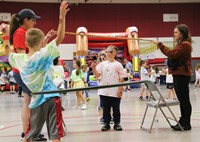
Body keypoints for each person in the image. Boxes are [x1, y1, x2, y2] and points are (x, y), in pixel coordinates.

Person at [6, 1, 70, 141]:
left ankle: (27, 135)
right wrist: (61, 17)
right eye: (33, 19)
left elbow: (12, 54)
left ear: (27, 43)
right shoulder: (42, 56)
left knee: (30, 134)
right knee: (55, 134)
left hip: (37, 100)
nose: (35, 22)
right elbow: (60, 37)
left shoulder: (19, 59)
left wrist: (5, 34)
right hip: (51, 98)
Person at [8, 7, 48, 141]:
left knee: (29, 101)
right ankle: (28, 133)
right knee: (30, 102)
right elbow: (21, 57)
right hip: (23, 73)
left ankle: (29, 132)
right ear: (26, 20)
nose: (35, 23)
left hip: (25, 73)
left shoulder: (25, 32)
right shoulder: (20, 33)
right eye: (33, 20)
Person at [154, 24, 192, 131]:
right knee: (181, 99)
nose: (174, 34)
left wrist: (161, 45)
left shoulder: (185, 45)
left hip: (182, 75)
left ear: (182, 33)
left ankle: (186, 123)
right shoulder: (181, 44)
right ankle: (182, 121)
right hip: (178, 75)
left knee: (184, 100)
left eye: (176, 32)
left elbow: (171, 54)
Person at [91, 45, 126, 131]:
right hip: (103, 91)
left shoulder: (118, 65)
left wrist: (120, 89)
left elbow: (122, 78)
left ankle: (117, 123)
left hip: (115, 91)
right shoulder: (101, 65)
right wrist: (94, 69)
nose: (108, 52)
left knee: (116, 108)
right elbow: (97, 76)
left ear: (115, 53)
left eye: (110, 51)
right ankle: (106, 123)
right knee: (105, 109)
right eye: (107, 51)